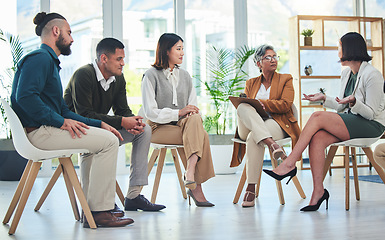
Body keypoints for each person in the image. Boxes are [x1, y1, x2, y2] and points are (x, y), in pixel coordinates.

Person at [10, 12, 133, 228]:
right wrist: (59, 121)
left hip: (44, 129)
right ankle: (99, 212)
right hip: (39, 133)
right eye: (69, 32)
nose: (72, 38)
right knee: (109, 142)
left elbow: (63, 110)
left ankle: (95, 206)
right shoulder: (40, 59)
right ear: (56, 31)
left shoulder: (48, 62)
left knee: (104, 136)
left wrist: (100, 124)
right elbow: (25, 97)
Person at [264, 32, 385, 211]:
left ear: (350, 49)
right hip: (353, 121)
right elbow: (341, 107)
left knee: (316, 117)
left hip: (372, 125)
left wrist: (354, 102)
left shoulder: (373, 75)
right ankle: (318, 192)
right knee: (318, 138)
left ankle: (290, 163)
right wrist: (324, 98)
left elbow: (371, 113)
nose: (338, 51)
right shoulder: (346, 74)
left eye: (339, 47)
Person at [64, 38, 165, 211]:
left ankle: (133, 195)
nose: (123, 64)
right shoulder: (84, 75)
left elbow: (122, 110)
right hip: (77, 131)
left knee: (144, 130)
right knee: (101, 141)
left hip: (101, 131)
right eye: (119, 59)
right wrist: (121, 121)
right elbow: (84, 115)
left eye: (123, 59)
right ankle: (94, 206)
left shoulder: (118, 79)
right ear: (104, 59)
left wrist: (132, 122)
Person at [141, 33, 215, 207]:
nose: (182, 53)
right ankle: (195, 187)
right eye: (179, 49)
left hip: (183, 125)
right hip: (157, 127)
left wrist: (187, 113)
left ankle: (190, 173)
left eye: (183, 49)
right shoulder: (150, 76)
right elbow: (150, 112)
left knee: (195, 119)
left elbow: (192, 106)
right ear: (167, 51)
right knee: (200, 135)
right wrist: (179, 113)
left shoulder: (186, 76)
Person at [230, 44, 301, 207]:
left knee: (253, 137)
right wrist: (252, 104)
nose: (273, 60)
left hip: (275, 123)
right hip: (250, 124)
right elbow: (247, 109)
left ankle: (250, 188)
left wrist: (263, 104)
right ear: (258, 64)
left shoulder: (286, 79)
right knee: (242, 106)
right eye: (267, 57)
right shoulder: (251, 83)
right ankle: (272, 145)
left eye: (275, 56)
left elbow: (285, 105)